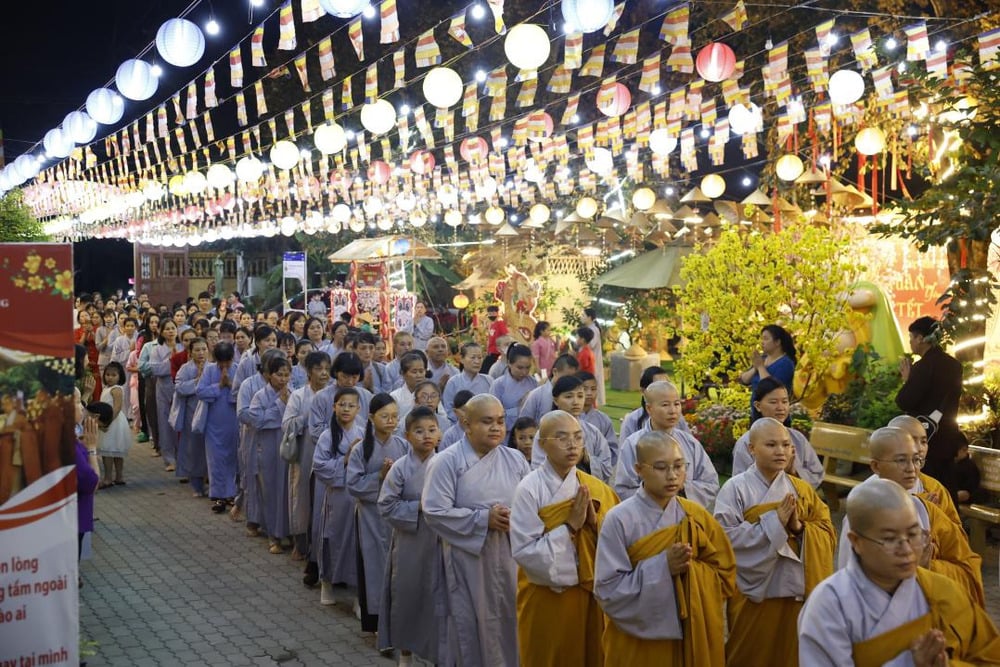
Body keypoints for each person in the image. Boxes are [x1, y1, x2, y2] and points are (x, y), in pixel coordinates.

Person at [798, 478, 1000, 666]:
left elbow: (988, 656)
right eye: (889, 539)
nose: (906, 549)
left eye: (913, 534)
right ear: (856, 542)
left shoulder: (942, 591)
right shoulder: (829, 605)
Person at [594, 431, 737, 664]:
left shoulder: (696, 515)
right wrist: (662, 567)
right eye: (661, 467)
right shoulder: (618, 519)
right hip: (636, 643)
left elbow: (725, 572)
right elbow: (608, 591)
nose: (672, 476)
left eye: (679, 466)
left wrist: (693, 575)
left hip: (688, 633)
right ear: (639, 469)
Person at [714, 418, 836, 665]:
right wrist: (774, 523)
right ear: (751, 449)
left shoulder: (801, 489)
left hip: (794, 591)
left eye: (786, 445)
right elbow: (724, 539)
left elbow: (826, 532)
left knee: (789, 653)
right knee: (749, 654)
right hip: (752, 592)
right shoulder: (735, 489)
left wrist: (799, 528)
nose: (781, 451)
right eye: (771, 445)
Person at [421, 395, 530, 666]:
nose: (496, 428)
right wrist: (483, 519)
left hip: (509, 558)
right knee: (469, 625)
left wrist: (515, 516)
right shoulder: (446, 462)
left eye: (501, 421)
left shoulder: (515, 458)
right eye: (487, 421)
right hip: (466, 560)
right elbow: (434, 511)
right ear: (466, 424)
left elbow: (532, 504)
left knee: (509, 621)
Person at [510, 410, 619, 666]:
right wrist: (570, 526)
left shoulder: (595, 487)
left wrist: (595, 524)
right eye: (562, 438)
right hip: (547, 597)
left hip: (590, 593)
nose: (572, 445)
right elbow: (525, 552)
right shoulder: (529, 489)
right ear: (542, 443)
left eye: (578, 437)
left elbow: (619, 540)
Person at [835, 427, 985, 606]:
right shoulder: (862, 510)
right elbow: (851, 581)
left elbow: (967, 564)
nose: (911, 469)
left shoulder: (927, 508)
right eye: (901, 460)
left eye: (916, 460)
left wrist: (928, 567)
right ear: (875, 466)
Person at [377, 406, 445, 665]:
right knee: (407, 594)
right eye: (419, 431)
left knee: (437, 596)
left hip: (440, 538)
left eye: (431, 430)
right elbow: (386, 504)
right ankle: (405, 653)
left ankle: (438, 652)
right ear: (407, 436)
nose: (426, 436)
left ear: (439, 433)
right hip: (410, 541)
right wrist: (418, 506)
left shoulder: (446, 463)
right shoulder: (401, 468)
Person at [346, 393, 408, 633]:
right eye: (385, 416)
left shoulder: (402, 444)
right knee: (372, 567)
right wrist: (379, 477)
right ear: (371, 418)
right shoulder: (361, 449)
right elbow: (353, 484)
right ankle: (374, 621)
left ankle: (397, 620)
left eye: (394, 416)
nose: (390, 421)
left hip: (395, 517)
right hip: (370, 517)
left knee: (396, 567)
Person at [614, 381, 719, 508]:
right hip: (647, 521)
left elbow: (711, 483)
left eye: (677, 404)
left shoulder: (689, 442)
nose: (673, 411)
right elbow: (623, 490)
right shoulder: (633, 444)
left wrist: (683, 487)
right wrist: (655, 493)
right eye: (665, 405)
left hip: (684, 516)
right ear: (649, 408)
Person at [897, 316, 964, 488]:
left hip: (926, 441)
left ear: (921, 339)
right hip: (947, 436)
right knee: (946, 489)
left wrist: (907, 380)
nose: (910, 342)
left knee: (927, 492)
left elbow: (905, 401)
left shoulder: (922, 367)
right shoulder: (955, 365)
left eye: (911, 338)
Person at [283, 351, 331, 574]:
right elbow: (287, 424)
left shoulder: (335, 395)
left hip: (328, 454)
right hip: (305, 452)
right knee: (302, 497)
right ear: (308, 371)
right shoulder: (299, 396)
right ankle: (301, 543)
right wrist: (308, 418)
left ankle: (322, 548)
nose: (323, 373)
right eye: (318, 369)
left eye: (327, 369)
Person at [314, 387, 363, 603]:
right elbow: (319, 465)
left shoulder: (363, 433)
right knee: (331, 538)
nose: (346, 409)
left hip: (358, 497)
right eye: (342, 404)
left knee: (356, 543)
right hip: (337, 497)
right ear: (334, 407)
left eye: (351, 405)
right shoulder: (327, 435)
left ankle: (356, 597)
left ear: (358, 409)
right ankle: (327, 584)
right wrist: (345, 459)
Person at [731, 378, 824, 488]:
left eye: (784, 402)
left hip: (798, 501)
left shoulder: (798, 438)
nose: (781, 408)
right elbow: (740, 484)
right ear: (758, 406)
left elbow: (817, 473)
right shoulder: (746, 442)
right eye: (773, 402)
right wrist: (777, 475)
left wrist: (794, 473)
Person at [530, 375, 614, 483]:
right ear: (556, 400)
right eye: (569, 397)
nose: (575, 402)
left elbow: (607, 469)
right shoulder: (545, 431)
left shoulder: (593, 432)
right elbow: (538, 467)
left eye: (580, 396)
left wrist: (587, 459)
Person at [248, 356, 294, 554]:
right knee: (269, 491)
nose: (283, 379)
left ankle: (286, 531)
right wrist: (278, 406)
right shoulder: (259, 396)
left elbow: (293, 420)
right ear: (269, 376)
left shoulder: (293, 394)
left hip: (287, 448)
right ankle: (272, 535)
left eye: (286, 375)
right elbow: (257, 421)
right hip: (266, 447)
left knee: (286, 490)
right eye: (279, 375)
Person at [887, 414, 961, 525]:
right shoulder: (872, 491)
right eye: (911, 440)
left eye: (923, 442)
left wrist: (933, 515)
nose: (920, 448)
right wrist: (920, 512)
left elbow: (956, 537)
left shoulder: (935, 489)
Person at [196, 342, 239, 514]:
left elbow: (244, 394)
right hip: (214, 422)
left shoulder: (238, 368)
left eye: (227, 362)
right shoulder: (209, 370)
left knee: (233, 458)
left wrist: (230, 385)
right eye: (220, 363)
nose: (224, 366)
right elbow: (200, 391)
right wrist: (219, 386)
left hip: (233, 420)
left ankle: (232, 493)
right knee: (216, 459)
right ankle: (219, 495)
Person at [147, 320, 184, 473]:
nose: (170, 331)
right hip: (163, 388)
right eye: (167, 329)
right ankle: (169, 459)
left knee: (180, 423)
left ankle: (182, 457)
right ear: (161, 332)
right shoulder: (157, 349)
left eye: (173, 328)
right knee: (165, 423)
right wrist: (171, 359)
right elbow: (154, 369)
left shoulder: (183, 346)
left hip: (180, 388)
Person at [173, 338, 209, 494]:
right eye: (197, 350)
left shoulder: (213, 368)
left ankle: (211, 482)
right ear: (190, 352)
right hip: (191, 412)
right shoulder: (185, 369)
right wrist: (197, 381)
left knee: (209, 448)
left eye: (203, 349)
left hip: (209, 412)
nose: (201, 353)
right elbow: (179, 387)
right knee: (193, 448)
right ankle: (196, 484)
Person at [739, 324, 797, 419]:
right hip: (757, 413)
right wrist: (756, 367)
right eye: (761, 339)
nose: (762, 343)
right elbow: (744, 380)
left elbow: (772, 388)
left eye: (766, 339)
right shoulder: (762, 359)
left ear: (777, 342)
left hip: (775, 416)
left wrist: (761, 367)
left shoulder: (786, 363)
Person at [620, 366, 691, 442]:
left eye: (667, 385)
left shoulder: (678, 419)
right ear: (643, 391)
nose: (672, 411)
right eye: (659, 386)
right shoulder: (632, 421)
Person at [96, 362, 132, 489]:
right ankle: (113, 477)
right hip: (109, 420)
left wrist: (108, 421)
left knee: (113, 450)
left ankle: (113, 477)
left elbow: (117, 407)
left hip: (114, 422)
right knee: (111, 450)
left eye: (113, 375)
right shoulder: (106, 388)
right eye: (107, 374)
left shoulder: (116, 389)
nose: (110, 377)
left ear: (120, 376)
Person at [489, 343, 537, 434]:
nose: (524, 372)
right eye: (520, 368)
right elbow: (493, 416)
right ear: (509, 363)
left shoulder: (533, 383)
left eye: (528, 368)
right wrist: (520, 407)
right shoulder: (498, 385)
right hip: (505, 435)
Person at [75, 392, 101, 561]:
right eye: (78, 402)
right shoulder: (69, 444)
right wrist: (91, 448)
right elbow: (92, 482)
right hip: (73, 518)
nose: (82, 407)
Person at [518, 354, 580, 424]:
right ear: (555, 372)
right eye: (566, 377)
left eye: (572, 378)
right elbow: (523, 424)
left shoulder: (576, 398)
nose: (569, 382)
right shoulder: (536, 395)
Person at [441, 342, 493, 424]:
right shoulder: (453, 382)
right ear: (461, 359)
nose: (477, 361)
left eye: (480, 357)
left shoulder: (489, 380)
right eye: (473, 357)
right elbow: (448, 409)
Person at [577, 371, 619, 464]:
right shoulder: (569, 418)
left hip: (597, 470)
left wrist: (595, 462)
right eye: (585, 389)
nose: (589, 393)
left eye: (593, 389)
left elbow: (612, 450)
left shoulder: (603, 420)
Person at [389, 351, 429, 418]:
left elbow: (442, 419)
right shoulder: (395, 396)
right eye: (414, 372)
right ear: (403, 373)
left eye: (421, 371)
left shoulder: (431, 394)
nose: (418, 375)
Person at [580, 308, 605, 406]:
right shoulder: (590, 328)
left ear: (589, 317)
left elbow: (591, 344)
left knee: (593, 380)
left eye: (583, 315)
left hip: (592, 360)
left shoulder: (593, 330)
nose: (581, 318)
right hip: (590, 359)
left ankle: (595, 401)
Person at [483, 305, 509, 375]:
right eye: (489, 313)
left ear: (497, 313)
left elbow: (506, 335)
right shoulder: (492, 325)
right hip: (491, 351)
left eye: (493, 313)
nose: (491, 315)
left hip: (496, 351)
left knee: (485, 369)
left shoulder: (500, 324)